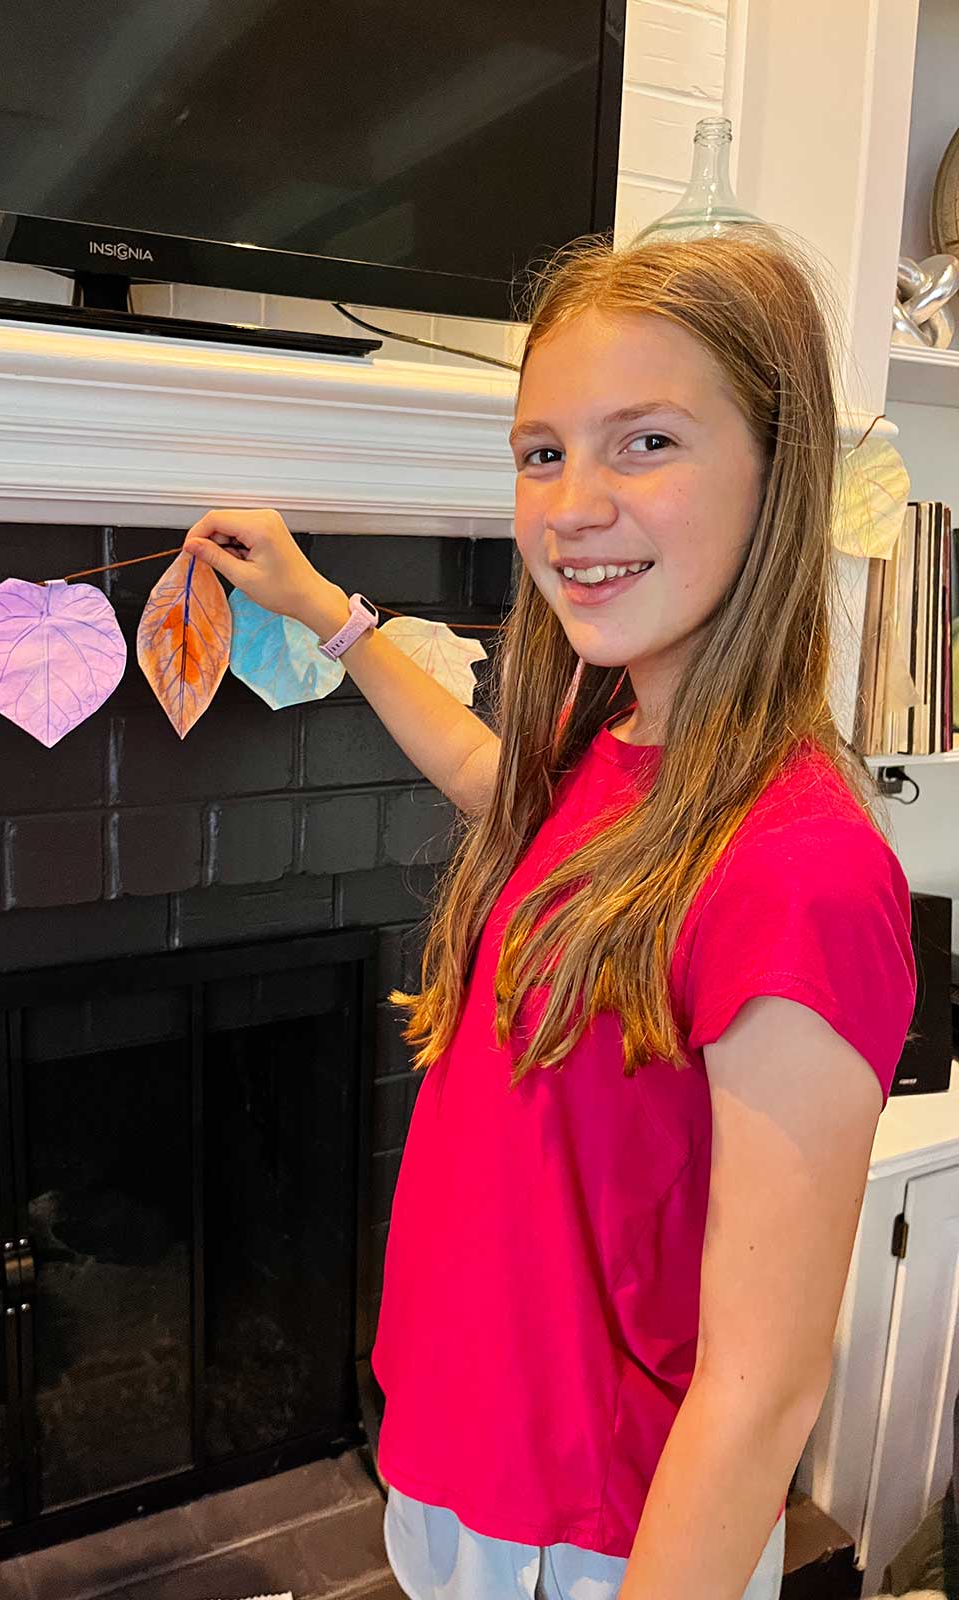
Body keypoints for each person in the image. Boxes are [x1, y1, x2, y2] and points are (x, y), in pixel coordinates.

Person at [179, 226, 919, 1600]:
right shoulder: (615, 738)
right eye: (542, 452)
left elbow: (763, 1391)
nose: (573, 506)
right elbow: (487, 781)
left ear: (778, 471)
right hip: (467, 1465)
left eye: (647, 443)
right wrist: (325, 611)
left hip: (594, 1540)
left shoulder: (798, 872)